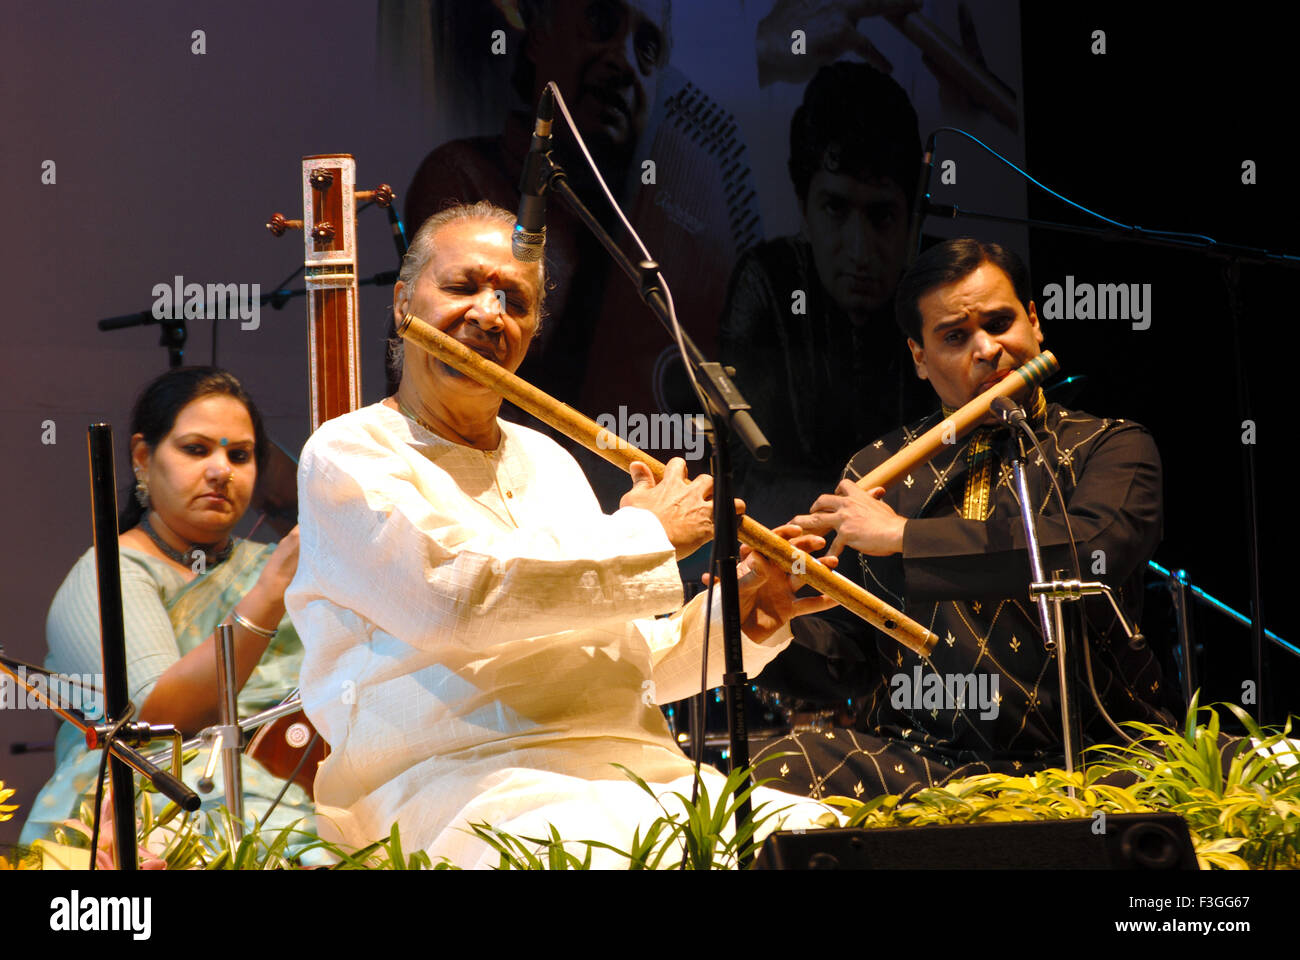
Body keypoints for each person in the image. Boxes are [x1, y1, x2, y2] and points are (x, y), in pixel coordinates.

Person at [287, 201, 837, 867]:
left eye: (513, 300)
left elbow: (614, 662)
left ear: (533, 329)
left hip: (634, 775)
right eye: (462, 287)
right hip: (453, 786)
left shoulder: (548, 461)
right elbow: (455, 600)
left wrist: (738, 613)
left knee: (825, 841)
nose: (489, 315)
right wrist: (645, 529)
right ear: (403, 303)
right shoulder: (348, 453)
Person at [752, 238, 1179, 800]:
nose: (987, 349)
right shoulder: (876, 470)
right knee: (778, 763)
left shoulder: (1110, 445)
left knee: (1254, 758)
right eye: (955, 336)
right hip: (929, 762)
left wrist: (904, 537)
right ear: (919, 358)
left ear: (1034, 323)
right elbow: (852, 657)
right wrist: (776, 616)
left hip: (1103, 753)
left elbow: (1095, 546)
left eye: (1001, 323)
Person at [20, 368, 312, 847]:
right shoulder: (108, 574)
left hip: (297, 785)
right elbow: (156, 726)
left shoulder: (270, 563)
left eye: (239, 455)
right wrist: (270, 592)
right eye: (196, 449)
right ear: (142, 457)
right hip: (151, 810)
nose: (221, 470)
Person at [719, 61, 929, 531]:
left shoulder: (940, 288)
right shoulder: (766, 281)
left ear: (911, 217)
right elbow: (740, 473)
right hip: (793, 549)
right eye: (836, 208)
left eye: (881, 217)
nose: (858, 251)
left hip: (906, 556)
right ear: (804, 209)